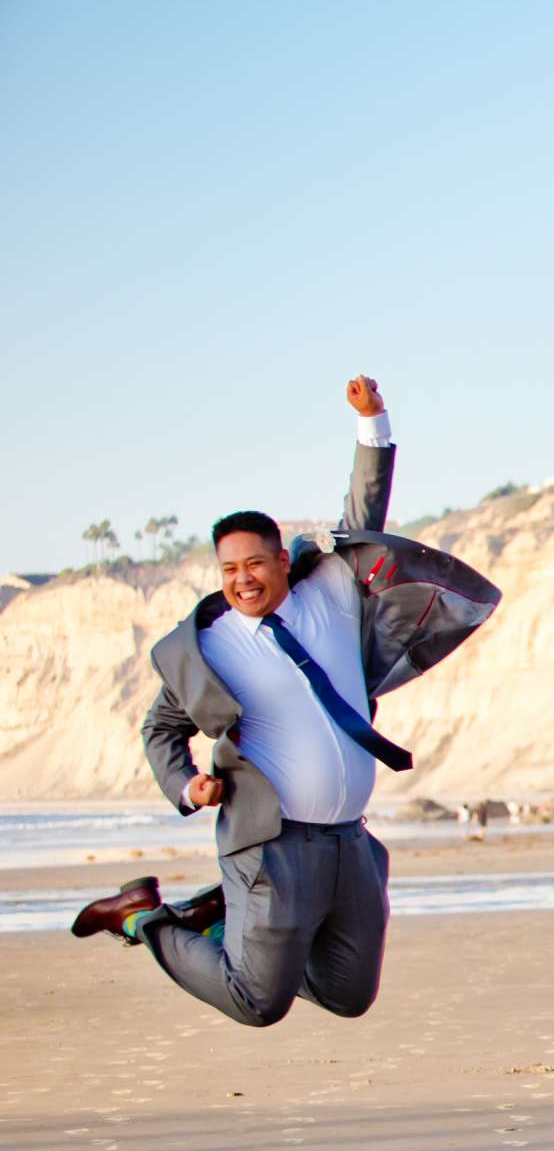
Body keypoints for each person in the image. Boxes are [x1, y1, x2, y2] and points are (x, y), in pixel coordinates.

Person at [72, 377, 501, 1030]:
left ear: (281, 558)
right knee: (256, 1002)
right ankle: (141, 917)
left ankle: (234, 928)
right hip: (271, 843)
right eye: (228, 570)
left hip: (349, 839)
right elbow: (160, 729)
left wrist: (372, 422)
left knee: (349, 992)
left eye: (254, 563)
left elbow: (365, 511)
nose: (243, 579)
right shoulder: (208, 648)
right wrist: (188, 786)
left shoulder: (328, 589)